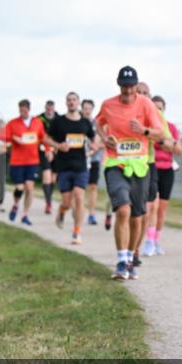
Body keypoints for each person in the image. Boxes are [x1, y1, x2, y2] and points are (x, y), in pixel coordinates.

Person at [95, 66, 165, 280]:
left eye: (131, 86)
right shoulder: (108, 105)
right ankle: (121, 261)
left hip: (140, 165)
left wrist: (143, 130)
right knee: (123, 210)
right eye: (124, 86)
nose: (127, 90)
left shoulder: (146, 104)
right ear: (119, 85)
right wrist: (104, 138)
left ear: (136, 85)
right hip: (115, 163)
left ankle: (131, 258)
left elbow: (159, 133)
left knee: (137, 216)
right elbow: (98, 123)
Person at [47, 92, 95, 244]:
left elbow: (94, 139)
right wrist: (58, 146)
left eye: (74, 100)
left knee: (79, 196)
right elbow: (46, 138)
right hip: (64, 166)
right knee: (67, 202)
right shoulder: (59, 121)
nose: (71, 102)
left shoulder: (85, 123)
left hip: (80, 166)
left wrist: (92, 149)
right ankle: (61, 211)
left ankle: (77, 232)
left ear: (78, 102)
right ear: (66, 103)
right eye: (69, 100)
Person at [131, 81, 173, 261]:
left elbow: (167, 139)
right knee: (127, 210)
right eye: (138, 91)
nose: (141, 95)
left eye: (145, 92)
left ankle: (136, 250)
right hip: (124, 165)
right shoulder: (123, 110)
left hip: (147, 164)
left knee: (146, 209)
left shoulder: (155, 114)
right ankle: (128, 250)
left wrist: (146, 132)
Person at [0, 99, 47, 226]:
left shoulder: (37, 123)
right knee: (20, 187)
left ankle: (25, 214)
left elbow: (43, 138)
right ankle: (15, 205)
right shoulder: (12, 123)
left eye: (25, 110)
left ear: (29, 109)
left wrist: (48, 150)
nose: (23, 112)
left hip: (32, 160)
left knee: (30, 187)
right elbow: (3, 136)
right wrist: (14, 138)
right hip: (17, 161)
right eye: (21, 110)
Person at [149, 95, 182, 255]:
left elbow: (178, 150)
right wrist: (164, 143)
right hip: (151, 167)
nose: (157, 111)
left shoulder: (171, 128)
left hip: (167, 169)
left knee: (162, 209)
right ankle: (148, 241)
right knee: (152, 206)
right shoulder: (148, 128)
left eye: (160, 108)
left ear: (164, 110)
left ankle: (156, 241)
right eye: (154, 108)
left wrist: (167, 144)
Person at [82, 99, 110, 228]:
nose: (87, 111)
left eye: (89, 108)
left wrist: (96, 147)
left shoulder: (98, 124)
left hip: (95, 160)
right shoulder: (77, 123)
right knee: (80, 188)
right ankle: (80, 212)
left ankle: (91, 214)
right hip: (80, 160)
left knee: (93, 187)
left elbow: (105, 143)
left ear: (92, 110)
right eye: (85, 108)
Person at [38, 100, 58, 214]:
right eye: (48, 108)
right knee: (47, 177)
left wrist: (56, 148)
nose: (49, 110)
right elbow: (39, 135)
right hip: (43, 151)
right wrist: (47, 149)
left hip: (57, 151)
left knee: (54, 178)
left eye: (52, 108)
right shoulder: (39, 119)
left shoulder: (59, 118)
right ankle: (48, 203)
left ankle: (48, 199)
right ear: (45, 108)